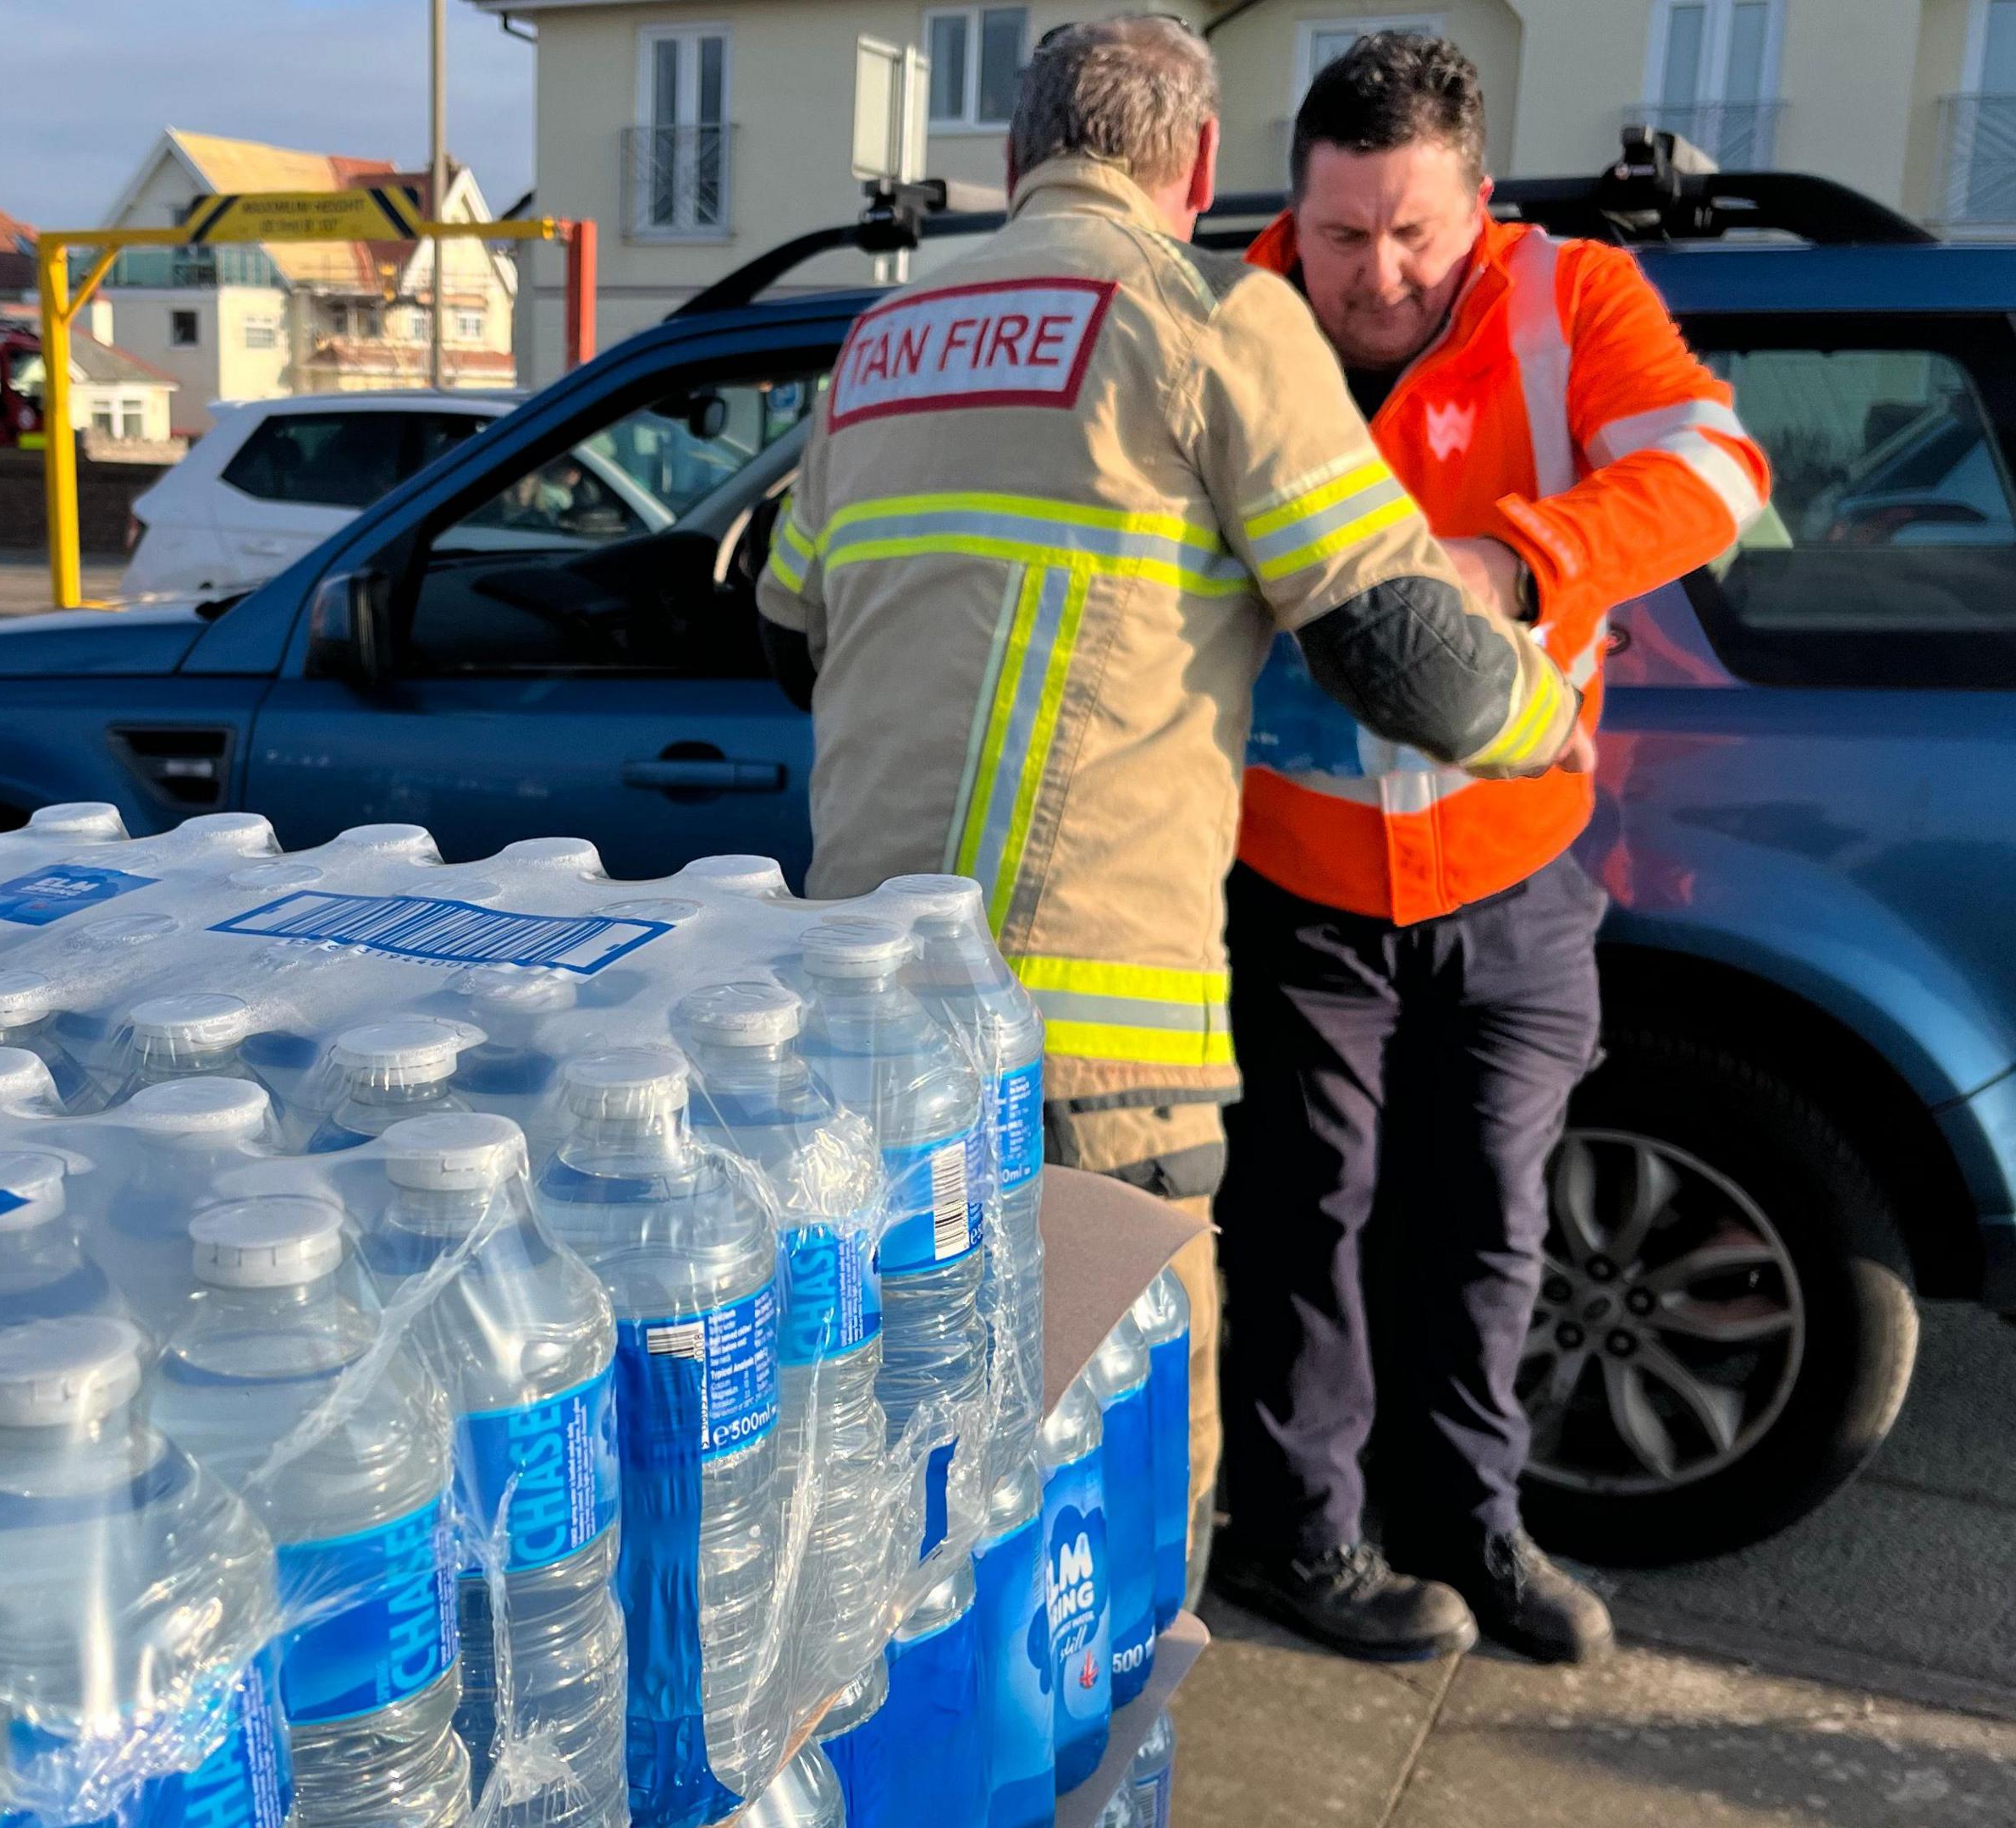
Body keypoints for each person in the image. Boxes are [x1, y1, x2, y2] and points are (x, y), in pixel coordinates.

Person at [757, 13, 1589, 1536]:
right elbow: (1396, 642)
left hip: (857, 1035)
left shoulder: (878, 344)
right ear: (1200, 166)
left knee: (902, 1495)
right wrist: (1549, 719)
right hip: (1085, 1061)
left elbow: (787, 629)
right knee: (1111, 1511)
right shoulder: (1213, 316)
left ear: (1014, 161)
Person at [1215, 33, 1770, 1666]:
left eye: (1412, 235)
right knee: (1305, 1223)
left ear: (1481, 208)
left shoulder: (1573, 297)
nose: (1374, 275)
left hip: (1515, 875)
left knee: (1489, 1229)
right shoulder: (1225, 322)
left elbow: (1717, 469)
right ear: (1288, 215)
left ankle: (1473, 1529)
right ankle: (1300, 1543)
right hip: (1297, 878)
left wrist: (1517, 565)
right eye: (1338, 236)